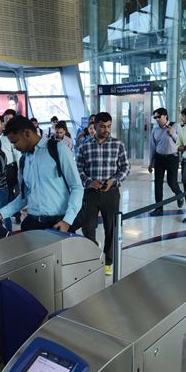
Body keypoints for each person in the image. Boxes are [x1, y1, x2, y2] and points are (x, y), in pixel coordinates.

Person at [0, 116, 83, 232]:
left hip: (58, 224)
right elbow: (24, 197)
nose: (15, 146)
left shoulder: (58, 150)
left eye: (15, 141)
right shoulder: (24, 161)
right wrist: (1, 213)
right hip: (33, 224)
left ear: (27, 133)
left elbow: (77, 187)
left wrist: (67, 221)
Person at [76, 112, 130, 275]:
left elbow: (125, 168)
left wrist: (113, 180)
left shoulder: (118, 144)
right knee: (88, 228)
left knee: (111, 228)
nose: (106, 129)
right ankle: (93, 256)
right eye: (102, 126)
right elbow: (77, 169)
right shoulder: (85, 146)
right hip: (90, 193)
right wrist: (89, 182)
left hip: (111, 193)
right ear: (95, 125)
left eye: (108, 126)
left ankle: (108, 260)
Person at [148, 107, 182, 216]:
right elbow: (152, 146)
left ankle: (179, 194)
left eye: (159, 117)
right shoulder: (155, 129)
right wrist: (150, 162)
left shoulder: (175, 126)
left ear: (165, 116)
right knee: (158, 184)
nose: (157, 119)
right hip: (159, 158)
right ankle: (159, 208)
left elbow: (181, 142)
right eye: (155, 117)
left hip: (172, 158)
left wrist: (172, 134)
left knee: (172, 182)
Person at [0, 114, 21, 224]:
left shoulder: (7, 138)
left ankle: (15, 215)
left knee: (9, 193)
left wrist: (18, 170)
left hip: (9, 169)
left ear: (2, 124)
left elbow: (16, 154)